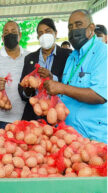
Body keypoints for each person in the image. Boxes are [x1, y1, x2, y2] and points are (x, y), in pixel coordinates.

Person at [44, 9, 107, 143]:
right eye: (70, 27)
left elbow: (99, 95)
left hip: (92, 137)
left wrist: (61, 87)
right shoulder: (72, 56)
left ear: (91, 28)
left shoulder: (103, 53)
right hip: (69, 135)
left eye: (78, 25)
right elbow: (68, 89)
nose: (73, 30)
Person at [19, 18, 72, 121]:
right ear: (38, 37)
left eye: (47, 31)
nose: (44, 35)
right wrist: (28, 90)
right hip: (34, 115)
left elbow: (71, 84)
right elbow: (22, 91)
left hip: (58, 114)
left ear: (55, 33)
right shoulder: (30, 58)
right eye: (40, 33)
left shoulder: (67, 55)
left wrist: (52, 78)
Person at [0, 21, 29, 129]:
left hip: (25, 118)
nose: (10, 35)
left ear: (20, 35)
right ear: (2, 37)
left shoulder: (29, 57)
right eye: (6, 33)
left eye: (13, 31)